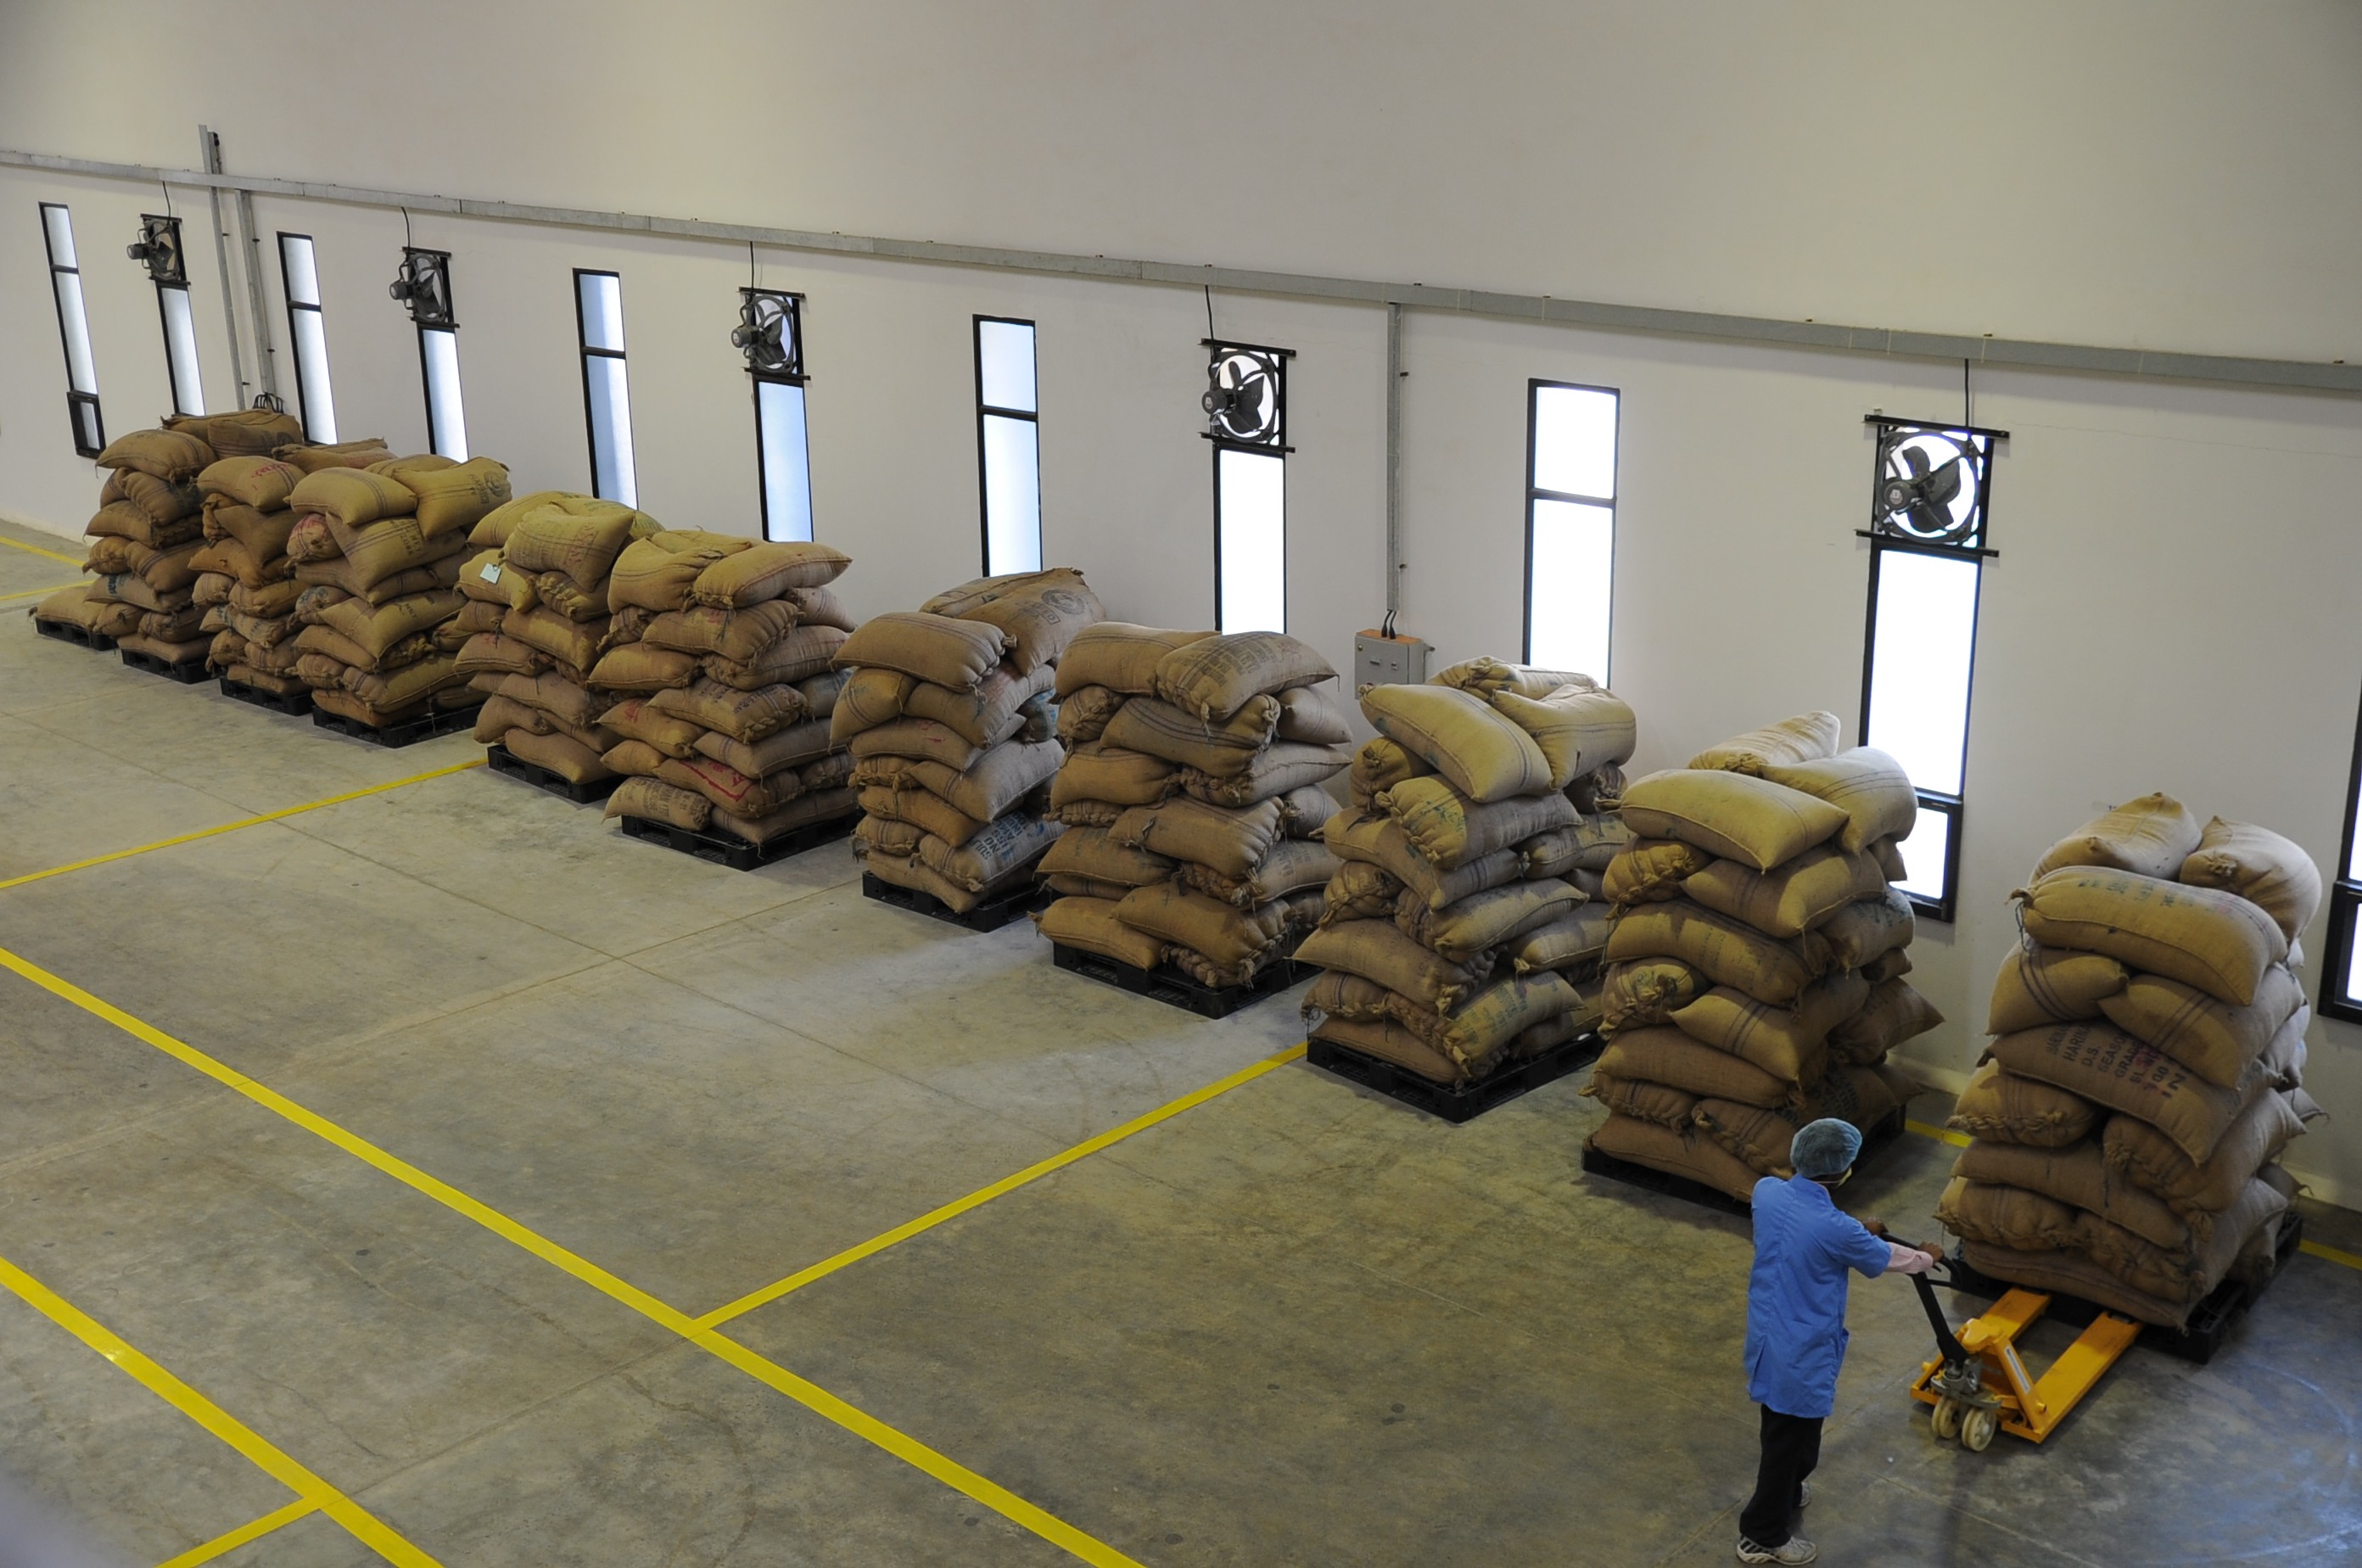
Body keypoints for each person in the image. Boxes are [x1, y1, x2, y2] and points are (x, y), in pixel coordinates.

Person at [1736, 1118, 1939, 1565]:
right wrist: (1927, 1257)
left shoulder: (1768, 1192)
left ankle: (1789, 1490)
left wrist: (1859, 1229)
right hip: (1801, 1350)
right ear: (1842, 1170)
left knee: (1789, 1430)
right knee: (1788, 1441)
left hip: (1769, 1337)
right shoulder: (1837, 1229)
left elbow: (1817, 1232)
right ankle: (1761, 1535)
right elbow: (1886, 1258)